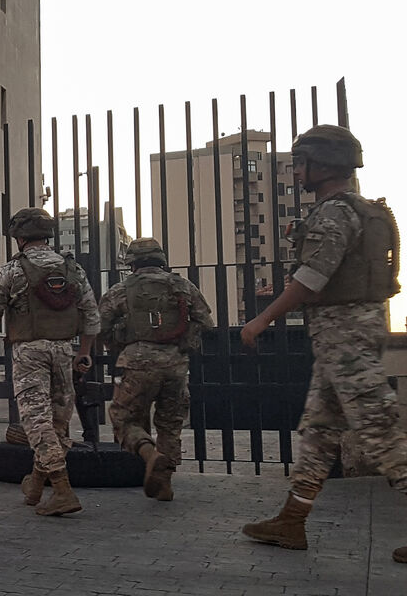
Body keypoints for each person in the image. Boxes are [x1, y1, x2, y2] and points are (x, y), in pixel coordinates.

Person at [239, 125, 406, 563]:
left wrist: (260, 319)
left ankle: (293, 520)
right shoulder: (364, 210)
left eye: (300, 163)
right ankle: (292, 520)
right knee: (320, 430)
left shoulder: (334, 213)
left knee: (379, 429)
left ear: (323, 165)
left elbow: (311, 280)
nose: (296, 172)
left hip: (345, 334)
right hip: (348, 333)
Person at [0, 207, 100, 516]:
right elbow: (91, 316)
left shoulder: (12, 270)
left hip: (29, 352)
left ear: (19, 237)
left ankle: (61, 489)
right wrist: (84, 351)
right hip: (64, 351)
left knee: (36, 421)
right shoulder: (73, 270)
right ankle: (34, 486)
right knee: (57, 421)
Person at [98, 237, 213, 501]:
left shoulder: (120, 290)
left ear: (132, 264)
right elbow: (205, 322)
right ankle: (164, 482)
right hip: (176, 364)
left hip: (138, 363)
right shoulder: (182, 286)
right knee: (170, 423)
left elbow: (99, 326)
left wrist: (118, 339)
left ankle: (150, 455)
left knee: (124, 417)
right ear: (161, 260)